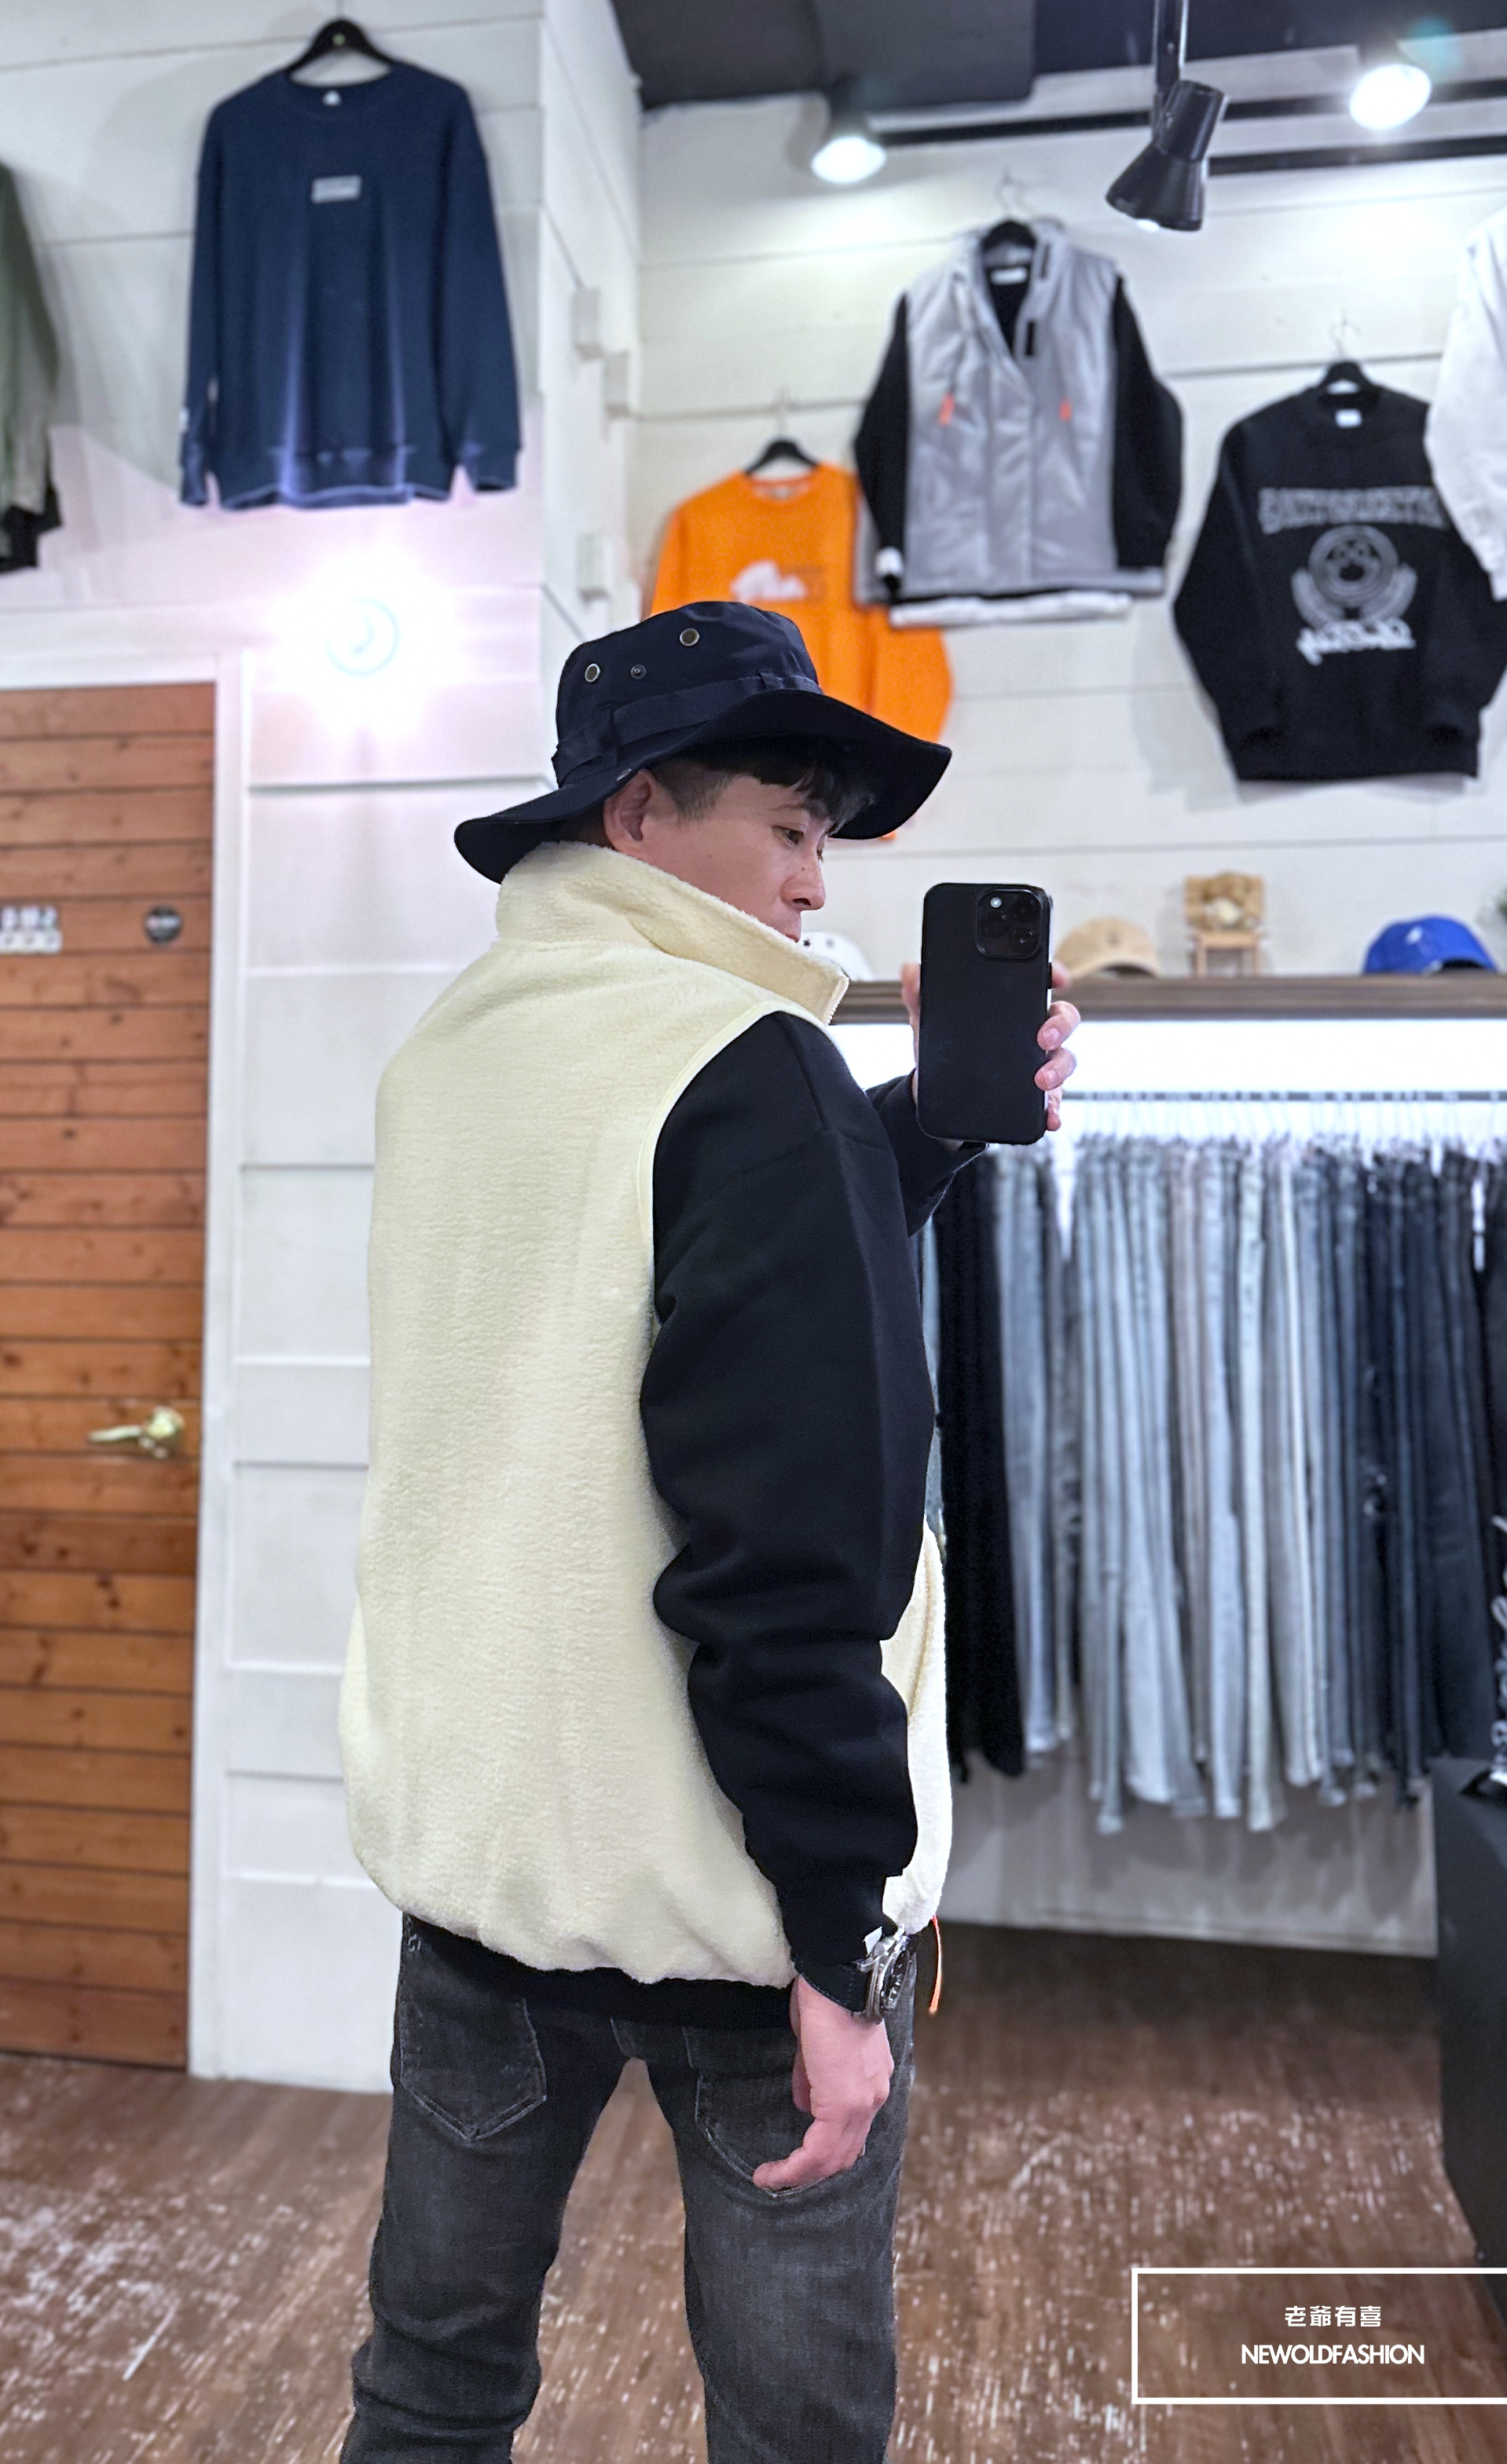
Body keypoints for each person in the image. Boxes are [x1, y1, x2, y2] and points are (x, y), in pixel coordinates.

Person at [336, 601, 1079, 2464]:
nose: (818, 880)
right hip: (735, 1905)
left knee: (429, 2382)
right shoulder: (750, 1070)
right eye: (792, 824)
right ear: (642, 813)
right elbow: (787, 1544)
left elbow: (597, 1327)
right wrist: (838, 1943)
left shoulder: (455, 1052)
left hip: (486, 1866)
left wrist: (899, 1141)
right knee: (791, 2429)